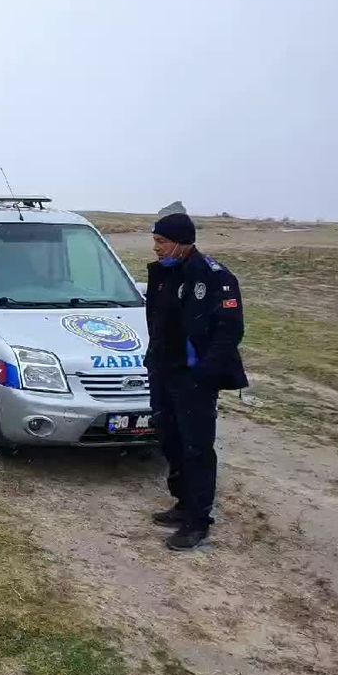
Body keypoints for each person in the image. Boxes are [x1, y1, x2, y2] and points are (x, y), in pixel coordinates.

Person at [145, 212, 248, 551]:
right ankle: (182, 503)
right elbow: (157, 324)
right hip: (164, 372)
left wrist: (203, 374)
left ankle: (198, 520)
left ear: (181, 243)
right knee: (169, 440)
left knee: (196, 448)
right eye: (155, 241)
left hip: (195, 379)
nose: (156, 248)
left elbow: (230, 331)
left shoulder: (215, 277)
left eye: (161, 242)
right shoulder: (162, 275)